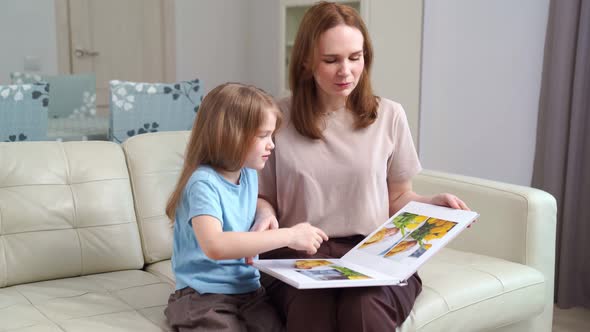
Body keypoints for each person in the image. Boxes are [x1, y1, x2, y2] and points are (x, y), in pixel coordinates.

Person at [253, 2, 471, 331]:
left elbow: (397, 197)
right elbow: (262, 195)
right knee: (315, 310)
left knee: (364, 309)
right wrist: (265, 212)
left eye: (355, 57)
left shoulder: (390, 116)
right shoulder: (276, 118)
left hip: (374, 254)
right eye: (332, 60)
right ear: (306, 61)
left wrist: (432, 204)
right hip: (297, 254)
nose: (346, 71)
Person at [164, 82, 328, 332]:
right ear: (231, 135)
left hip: (248, 292)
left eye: (271, 135)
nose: (271, 144)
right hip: (202, 296)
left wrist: (265, 211)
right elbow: (215, 245)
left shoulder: (248, 173)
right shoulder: (203, 183)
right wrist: (290, 235)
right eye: (263, 136)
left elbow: (252, 201)